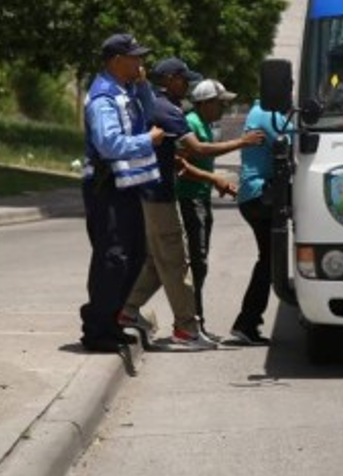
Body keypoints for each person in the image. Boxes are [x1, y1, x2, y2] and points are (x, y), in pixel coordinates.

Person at [119, 58, 262, 350]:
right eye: (183, 79)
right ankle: (186, 329)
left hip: (150, 192)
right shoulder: (166, 109)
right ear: (170, 78)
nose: (187, 85)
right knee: (176, 261)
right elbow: (197, 149)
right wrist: (242, 142)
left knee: (157, 263)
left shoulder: (152, 103)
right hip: (159, 196)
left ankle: (127, 310)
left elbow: (176, 153)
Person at [78, 33, 165, 353]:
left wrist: (142, 86)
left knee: (135, 255)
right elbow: (109, 144)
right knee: (112, 259)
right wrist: (148, 141)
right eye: (135, 58)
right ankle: (96, 329)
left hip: (127, 186)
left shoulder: (126, 90)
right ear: (116, 61)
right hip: (106, 187)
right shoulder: (103, 98)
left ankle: (112, 322)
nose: (141, 62)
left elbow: (151, 110)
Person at [174, 78, 266, 337]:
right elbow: (182, 163)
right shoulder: (190, 123)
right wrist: (241, 143)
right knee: (197, 263)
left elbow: (203, 157)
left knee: (200, 263)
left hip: (201, 198)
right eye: (220, 103)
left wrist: (215, 182)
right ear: (205, 103)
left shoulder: (204, 124)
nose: (224, 109)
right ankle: (190, 323)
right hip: (190, 199)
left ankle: (196, 322)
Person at [225, 98, 294, 346]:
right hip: (260, 196)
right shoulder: (268, 113)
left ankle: (248, 321)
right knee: (269, 261)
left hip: (256, 196)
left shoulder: (261, 111)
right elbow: (294, 144)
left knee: (269, 260)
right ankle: (247, 322)